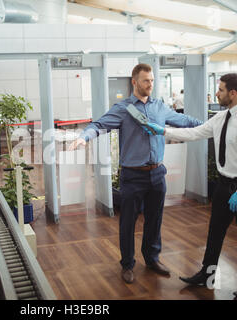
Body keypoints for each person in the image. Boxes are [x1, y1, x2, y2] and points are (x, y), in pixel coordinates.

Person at [68, 63, 203, 284]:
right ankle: (127, 264)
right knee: (128, 223)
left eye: (152, 80)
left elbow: (185, 121)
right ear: (134, 82)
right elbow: (99, 124)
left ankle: (152, 258)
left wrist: (212, 125)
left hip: (157, 173)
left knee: (154, 220)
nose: (150, 85)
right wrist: (84, 137)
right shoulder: (122, 109)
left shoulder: (160, 107)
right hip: (132, 176)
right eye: (145, 81)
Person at [145, 73, 237, 298]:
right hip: (223, 184)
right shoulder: (221, 118)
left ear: (232, 93)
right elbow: (195, 132)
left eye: (220, 90)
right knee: (215, 233)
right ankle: (207, 276)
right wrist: (164, 131)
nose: (217, 93)